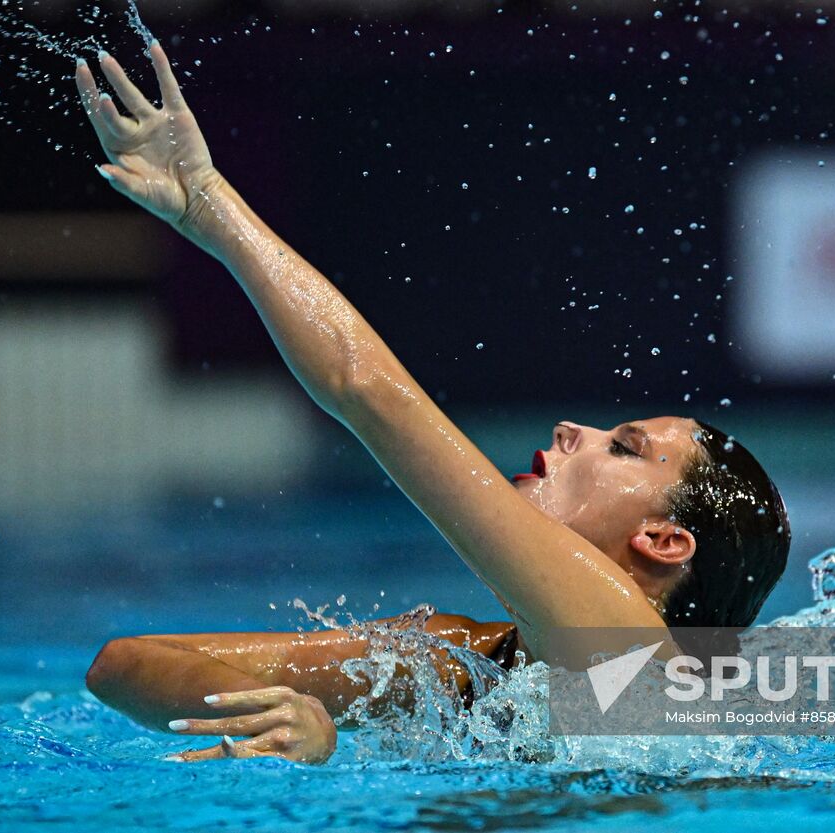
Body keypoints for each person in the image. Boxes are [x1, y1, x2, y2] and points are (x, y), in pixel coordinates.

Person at [73, 42, 791, 764]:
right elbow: (126, 663)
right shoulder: (465, 665)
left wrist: (210, 204)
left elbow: (370, 393)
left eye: (624, 446)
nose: (574, 428)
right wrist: (289, 718)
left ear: (665, 541)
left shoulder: (626, 651)